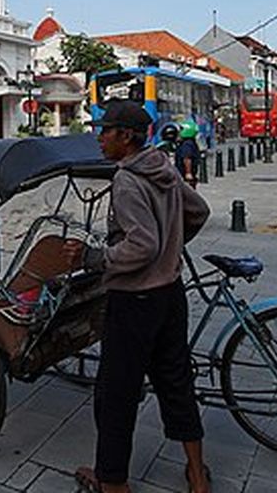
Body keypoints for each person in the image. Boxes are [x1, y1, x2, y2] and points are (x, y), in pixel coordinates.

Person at [64, 98, 212, 493]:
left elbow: (141, 246)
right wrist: (172, 248)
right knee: (176, 382)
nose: (99, 139)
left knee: (116, 393)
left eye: (105, 131)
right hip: (170, 294)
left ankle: (112, 483)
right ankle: (197, 474)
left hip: (136, 302)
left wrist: (98, 257)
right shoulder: (161, 166)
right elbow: (197, 211)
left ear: (125, 137)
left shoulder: (128, 179)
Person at [174, 121, 201, 188]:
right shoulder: (190, 143)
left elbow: (187, 158)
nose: (179, 132)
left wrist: (188, 172)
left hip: (184, 174)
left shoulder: (187, 145)